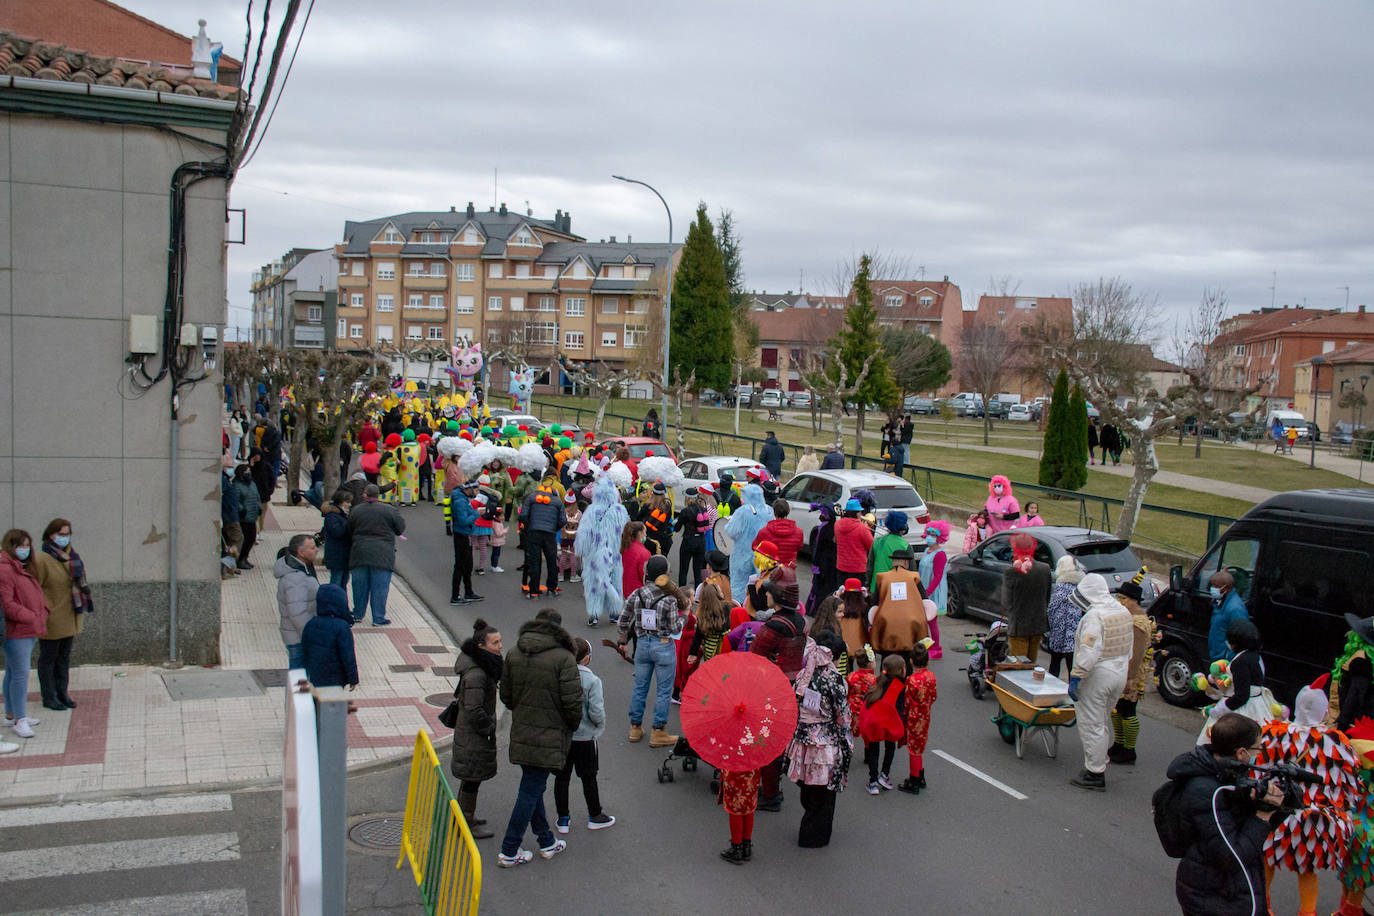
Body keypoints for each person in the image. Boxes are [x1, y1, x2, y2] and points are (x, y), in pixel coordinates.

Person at [1256, 677, 1361, 916]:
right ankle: (1308, 912)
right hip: (1314, 818)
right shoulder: (1335, 742)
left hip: (1275, 811)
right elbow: (1349, 783)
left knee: (1266, 858)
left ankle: (1263, 907)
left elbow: (1258, 768)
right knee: (1307, 868)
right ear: (1323, 711)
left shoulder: (1272, 734)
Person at [1166, 712, 1286, 916]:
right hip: (1212, 895)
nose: (1259, 753)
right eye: (1257, 748)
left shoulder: (1228, 774)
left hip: (1226, 889)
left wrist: (1277, 807)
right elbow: (1231, 856)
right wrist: (1262, 816)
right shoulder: (1207, 791)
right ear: (1241, 753)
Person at [497, 609, 582, 868]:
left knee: (532, 786)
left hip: (523, 731)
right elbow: (573, 703)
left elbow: (506, 697)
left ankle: (546, 840)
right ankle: (509, 849)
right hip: (550, 735)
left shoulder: (513, 653)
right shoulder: (564, 658)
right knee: (530, 789)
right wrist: (570, 726)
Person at [1066, 573, 1134, 790]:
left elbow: (1089, 651)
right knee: (1102, 721)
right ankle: (1098, 764)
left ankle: (1094, 772)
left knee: (1092, 724)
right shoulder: (1122, 611)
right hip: (1119, 672)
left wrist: (1076, 676)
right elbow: (1129, 647)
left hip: (1098, 675)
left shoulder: (1095, 617)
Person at [784, 637, 853, 848]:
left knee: (807, 787)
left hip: (803, 739)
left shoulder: (804, 675)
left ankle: (808, 827)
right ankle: (816, 834)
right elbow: (843, 717)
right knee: (824, 791)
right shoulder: (835, 680)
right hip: (825, 742)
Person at [617, 555, 689, 748]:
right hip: (663, 645)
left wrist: (622, 642)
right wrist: (686, 617)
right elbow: (675, 628)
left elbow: (623, 619)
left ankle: (635, 727)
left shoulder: (637, 594)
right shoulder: (670, 599)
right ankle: (658, 731)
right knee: (664, 691)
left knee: (640, 687)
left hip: (642, 644)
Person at [752, 578, 809, 812]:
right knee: (779, 741)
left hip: (772, 689)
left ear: (776, 598)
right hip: (794, 688)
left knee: (767, 743)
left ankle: (770, 794)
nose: (766, 596)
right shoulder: (800, 622)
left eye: (769, 594)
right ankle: (772, 788)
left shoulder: (775, 626)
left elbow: (755, 654)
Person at [449, 619, 504, 839]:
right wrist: (489, 726)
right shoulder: (477, 674)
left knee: (470, 778)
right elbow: (473, 709)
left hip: (471, 734)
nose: (500, 646)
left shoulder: (481, 665)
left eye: (500, 641)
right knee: (472, 778)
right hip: (473, 736)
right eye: (495, 643)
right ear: (481, 646)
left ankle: (463, 816)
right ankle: (466, 822)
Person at [554, 638, 615, 834]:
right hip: (585, 737)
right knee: (589, 776)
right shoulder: (592, 681)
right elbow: (596, 710)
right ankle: (595, 814)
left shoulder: (558, 675)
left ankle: (563, 818)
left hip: (563, 736)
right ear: (586, 658)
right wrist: (600, 726)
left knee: (562, 778)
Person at [33, 519, 90, 711]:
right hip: (52, 617)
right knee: (48, 658)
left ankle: (62, 693)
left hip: (70, 615)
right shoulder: (42, 559)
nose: (65, 538)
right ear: (51, 535)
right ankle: (49, 697)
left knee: (64, 657)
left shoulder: (71, 556)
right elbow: (34, 589)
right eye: (61, 534)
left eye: (67, 534)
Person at [1, 529, 49, 739]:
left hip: (26, 627)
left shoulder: (19, 567)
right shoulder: (5, 569)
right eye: (20, 546)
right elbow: (7, 603)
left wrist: (42, 610)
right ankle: (20, 719)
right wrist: (30, 615)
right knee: (20, 674)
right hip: (17, 631)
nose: (25, 550)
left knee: (13, 672)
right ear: (10, 546)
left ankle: (12, 714)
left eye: (27, 546)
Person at [1198, 619, 1272, 744]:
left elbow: (1241, 696)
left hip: (1241, 711)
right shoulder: (1256, 656)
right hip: (1258, 706)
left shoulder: (1239, 662)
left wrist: (1217, 711)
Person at [1108, 573, 1154, 765]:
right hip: (1122, 669)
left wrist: (1129, 678)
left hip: (1132, 674)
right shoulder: (1128, 617)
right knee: (1117, 710)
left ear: (1134, 601)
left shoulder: (1138, 623)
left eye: (1124, 599)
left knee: (1128, 711)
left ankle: (1129, 749)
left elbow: (1135, 655)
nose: (1120, 602)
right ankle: (1119, 743)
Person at [575, 475, 631, 627]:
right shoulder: (620, 510)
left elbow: (584, 533)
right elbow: (627, 531)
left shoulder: (591, 510)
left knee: (595, 583)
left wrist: (581, 550)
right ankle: (614, 612)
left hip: (595, 553)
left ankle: (594, 614)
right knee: (614, 580)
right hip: (615, 553)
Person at [347, 483, 405, 626]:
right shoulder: (390, 510)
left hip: (359, 552)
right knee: (380, 587)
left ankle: (358, 614)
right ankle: (378, 618)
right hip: (383, 554)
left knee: (359, 586)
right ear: (378, 495)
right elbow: (399, 529)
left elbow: (349, 530)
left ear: (365, 495)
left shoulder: (356, 510)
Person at [858, 654, 906, 795]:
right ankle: (884, 775)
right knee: (890, 747)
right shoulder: (899, 685)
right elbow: (899, 707)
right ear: (900, 670)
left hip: (873, 721)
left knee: (874, 750)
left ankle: (873, 781)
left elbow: (866, 698)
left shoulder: (877, 681)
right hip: (888, 721)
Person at [870, 549, 930, 664]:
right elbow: (925, 599)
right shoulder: (914, 577)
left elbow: (874, 603)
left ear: (893, 562)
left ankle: (886, 677)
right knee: (907, 658)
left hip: (887, 624)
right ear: (906, 563)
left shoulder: (882, 577)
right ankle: (905, 676)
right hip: (910, 625)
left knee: (887, 658)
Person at [1002, 533, 1051, 663]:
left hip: (1019, 625)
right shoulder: (1045, 569)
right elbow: (1047, 596)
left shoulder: (1011, 572)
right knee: (1031, 661)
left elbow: (1006, 602)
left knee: (1018, 664)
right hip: (1038, 623)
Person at [275, 533, 320, 670]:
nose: (317, 550)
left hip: (298, 636)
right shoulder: (295, 578)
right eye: (312, 548)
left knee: (300, 679)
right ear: (301, 552)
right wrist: (310, 636)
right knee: (300, 680)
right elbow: (297, 613)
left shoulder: (302, 569)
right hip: (299, 638)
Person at [301, 584, 358, 690]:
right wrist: (353, 679)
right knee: (333, 705)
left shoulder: (311, 623)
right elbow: (348, 656)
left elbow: (304, 650)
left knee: (319, 703)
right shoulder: (342, 626)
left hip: (316, 676)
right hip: (335, 678)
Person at [898, 644, 937, 794]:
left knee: (914, 749)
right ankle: (919, 775)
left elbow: (907, 702)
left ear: (911, 662)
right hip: (925, 715)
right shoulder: (931, 677)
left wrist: (904, 715)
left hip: (913, 718)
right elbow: (933, 696)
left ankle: (914, 780)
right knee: (919, 746)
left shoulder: (912, 680)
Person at [520, 475, 566, 600]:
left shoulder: (531, 498)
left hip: (534, 533)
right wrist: (553, 528)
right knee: (552, 561)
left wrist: (530, 527)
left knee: (534, 562)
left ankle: (533, 591)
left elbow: (523, 515)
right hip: (549, 534)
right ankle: (552, 589)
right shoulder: (558, 501)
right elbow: (563, 520)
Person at [724, 483, 771, 602]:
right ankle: (756, 606)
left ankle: (738, 610)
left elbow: (731, 531)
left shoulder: (743, 511)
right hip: (762, 554)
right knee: (759, 584)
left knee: (738, 584)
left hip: (742, 553)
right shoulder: (769, 510)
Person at [1044, 555, 1085, 678]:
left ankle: (1052, 690)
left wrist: (1050, 627)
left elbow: (1052, 608)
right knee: (1071, 666)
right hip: (1074, 634)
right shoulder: (1079, 587)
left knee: (1054, 664)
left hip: (1059, 633)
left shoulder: (1061, 587)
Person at [917, 521, 950, 660]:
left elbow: (938, 577)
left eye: (933, 535)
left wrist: (928, 592)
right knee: (923, 621)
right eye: (928, 533)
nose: (930, 537)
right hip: (923, 590)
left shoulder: (940, 554)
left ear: (939, 537)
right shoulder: (926, 551)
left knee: (932, 621)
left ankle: (936, 648)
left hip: (932, 592)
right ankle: (927, 644)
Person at [449, 480, 483, 605]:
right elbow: (463, 521)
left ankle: (468, 592)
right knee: (460, 565)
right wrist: (476, 513)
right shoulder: (460, 501)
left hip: (465, 535)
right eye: (477, 489)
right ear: (470, 489)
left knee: (468, 565)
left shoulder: (461, 498)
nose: (477, 492)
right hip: (461, 535)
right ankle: (455, 596)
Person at [1207, 570, 1249, 662]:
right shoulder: (1220, 603)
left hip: (1225, 662)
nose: (1212, 589)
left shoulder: (1236, 609)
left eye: (1216, 586)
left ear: (1226, 588)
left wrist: (1228, 659)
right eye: (1212, 585)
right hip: (1217, 658)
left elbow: (1240, 638)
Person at [806, 504, 840, 614]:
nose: (821, 515)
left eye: (823, 514)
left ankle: (815, 610)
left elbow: (818, 548)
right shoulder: (836, 527)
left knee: (818, 588)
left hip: (822, 564)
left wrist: (815, 564)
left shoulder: (823, 529)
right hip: (833, 564)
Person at [752, 499, 803, 571]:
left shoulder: (764, 531)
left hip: (769, 569)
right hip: (789, 571)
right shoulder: (799, 532)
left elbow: (754, 547)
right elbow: (799, 547)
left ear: (774, 512)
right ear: (788, 511)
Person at [675, 488, 711, 587]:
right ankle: (698, 594)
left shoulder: (685, 511)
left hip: (688, 541)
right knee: (698, 570)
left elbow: (677, 528)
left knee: (683, 569)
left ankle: (682, 592)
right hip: (701, 541)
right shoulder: (703, 509)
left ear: (687, 497)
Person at [866, 510, 908, 591]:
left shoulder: (877, 542)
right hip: (896, 589)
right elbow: (911, 570)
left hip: (877, 586)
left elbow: (869, 567)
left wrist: (868, 584)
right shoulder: (905, 545)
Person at [834, 498, 873, 587]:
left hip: (841, 566)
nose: (861, 514)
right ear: (857, 513)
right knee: (857, 595)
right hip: (858, 569)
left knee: (843, 593)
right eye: (860, 512)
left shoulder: (837, 524)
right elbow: (871, 545)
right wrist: (867, 529)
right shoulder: (862, 528)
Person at [320, 489, 353, 591]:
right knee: (336, 583)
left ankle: (341, 605)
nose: (350, 505)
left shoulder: (342, 516)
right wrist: (349, 523)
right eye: (347, 502)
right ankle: (334, 604)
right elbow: (337, 532)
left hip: (344, 556)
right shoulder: (332, 516)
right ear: (340, 502)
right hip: (336, 556)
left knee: (343, 583)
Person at [232, 463, 262, 570]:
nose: (248, 474)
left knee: (252, 538)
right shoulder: (236, 485)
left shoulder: (252, 484)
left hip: (252, 516)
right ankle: (240, 559)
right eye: (246, 472)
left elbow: (257, 496)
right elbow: (235, 499)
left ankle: (245, 557)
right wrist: (241, 509)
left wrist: (259, 507)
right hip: (243, 517)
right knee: (244, 539)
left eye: (249, 471)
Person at [620, 522, 651, 599]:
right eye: (645, 532)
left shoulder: (627, 546)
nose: (646, 535)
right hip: (639, 593)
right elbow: (645, 576)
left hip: (627, 588)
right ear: (640, 534)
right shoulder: (644, 553)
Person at [558, 492, 582, 583]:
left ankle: (560, 575)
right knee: (573, 556)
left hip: (564, 536)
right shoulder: (579, 513)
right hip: (574, 538)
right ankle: (573, 575)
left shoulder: (563, 512)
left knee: (563, 555)